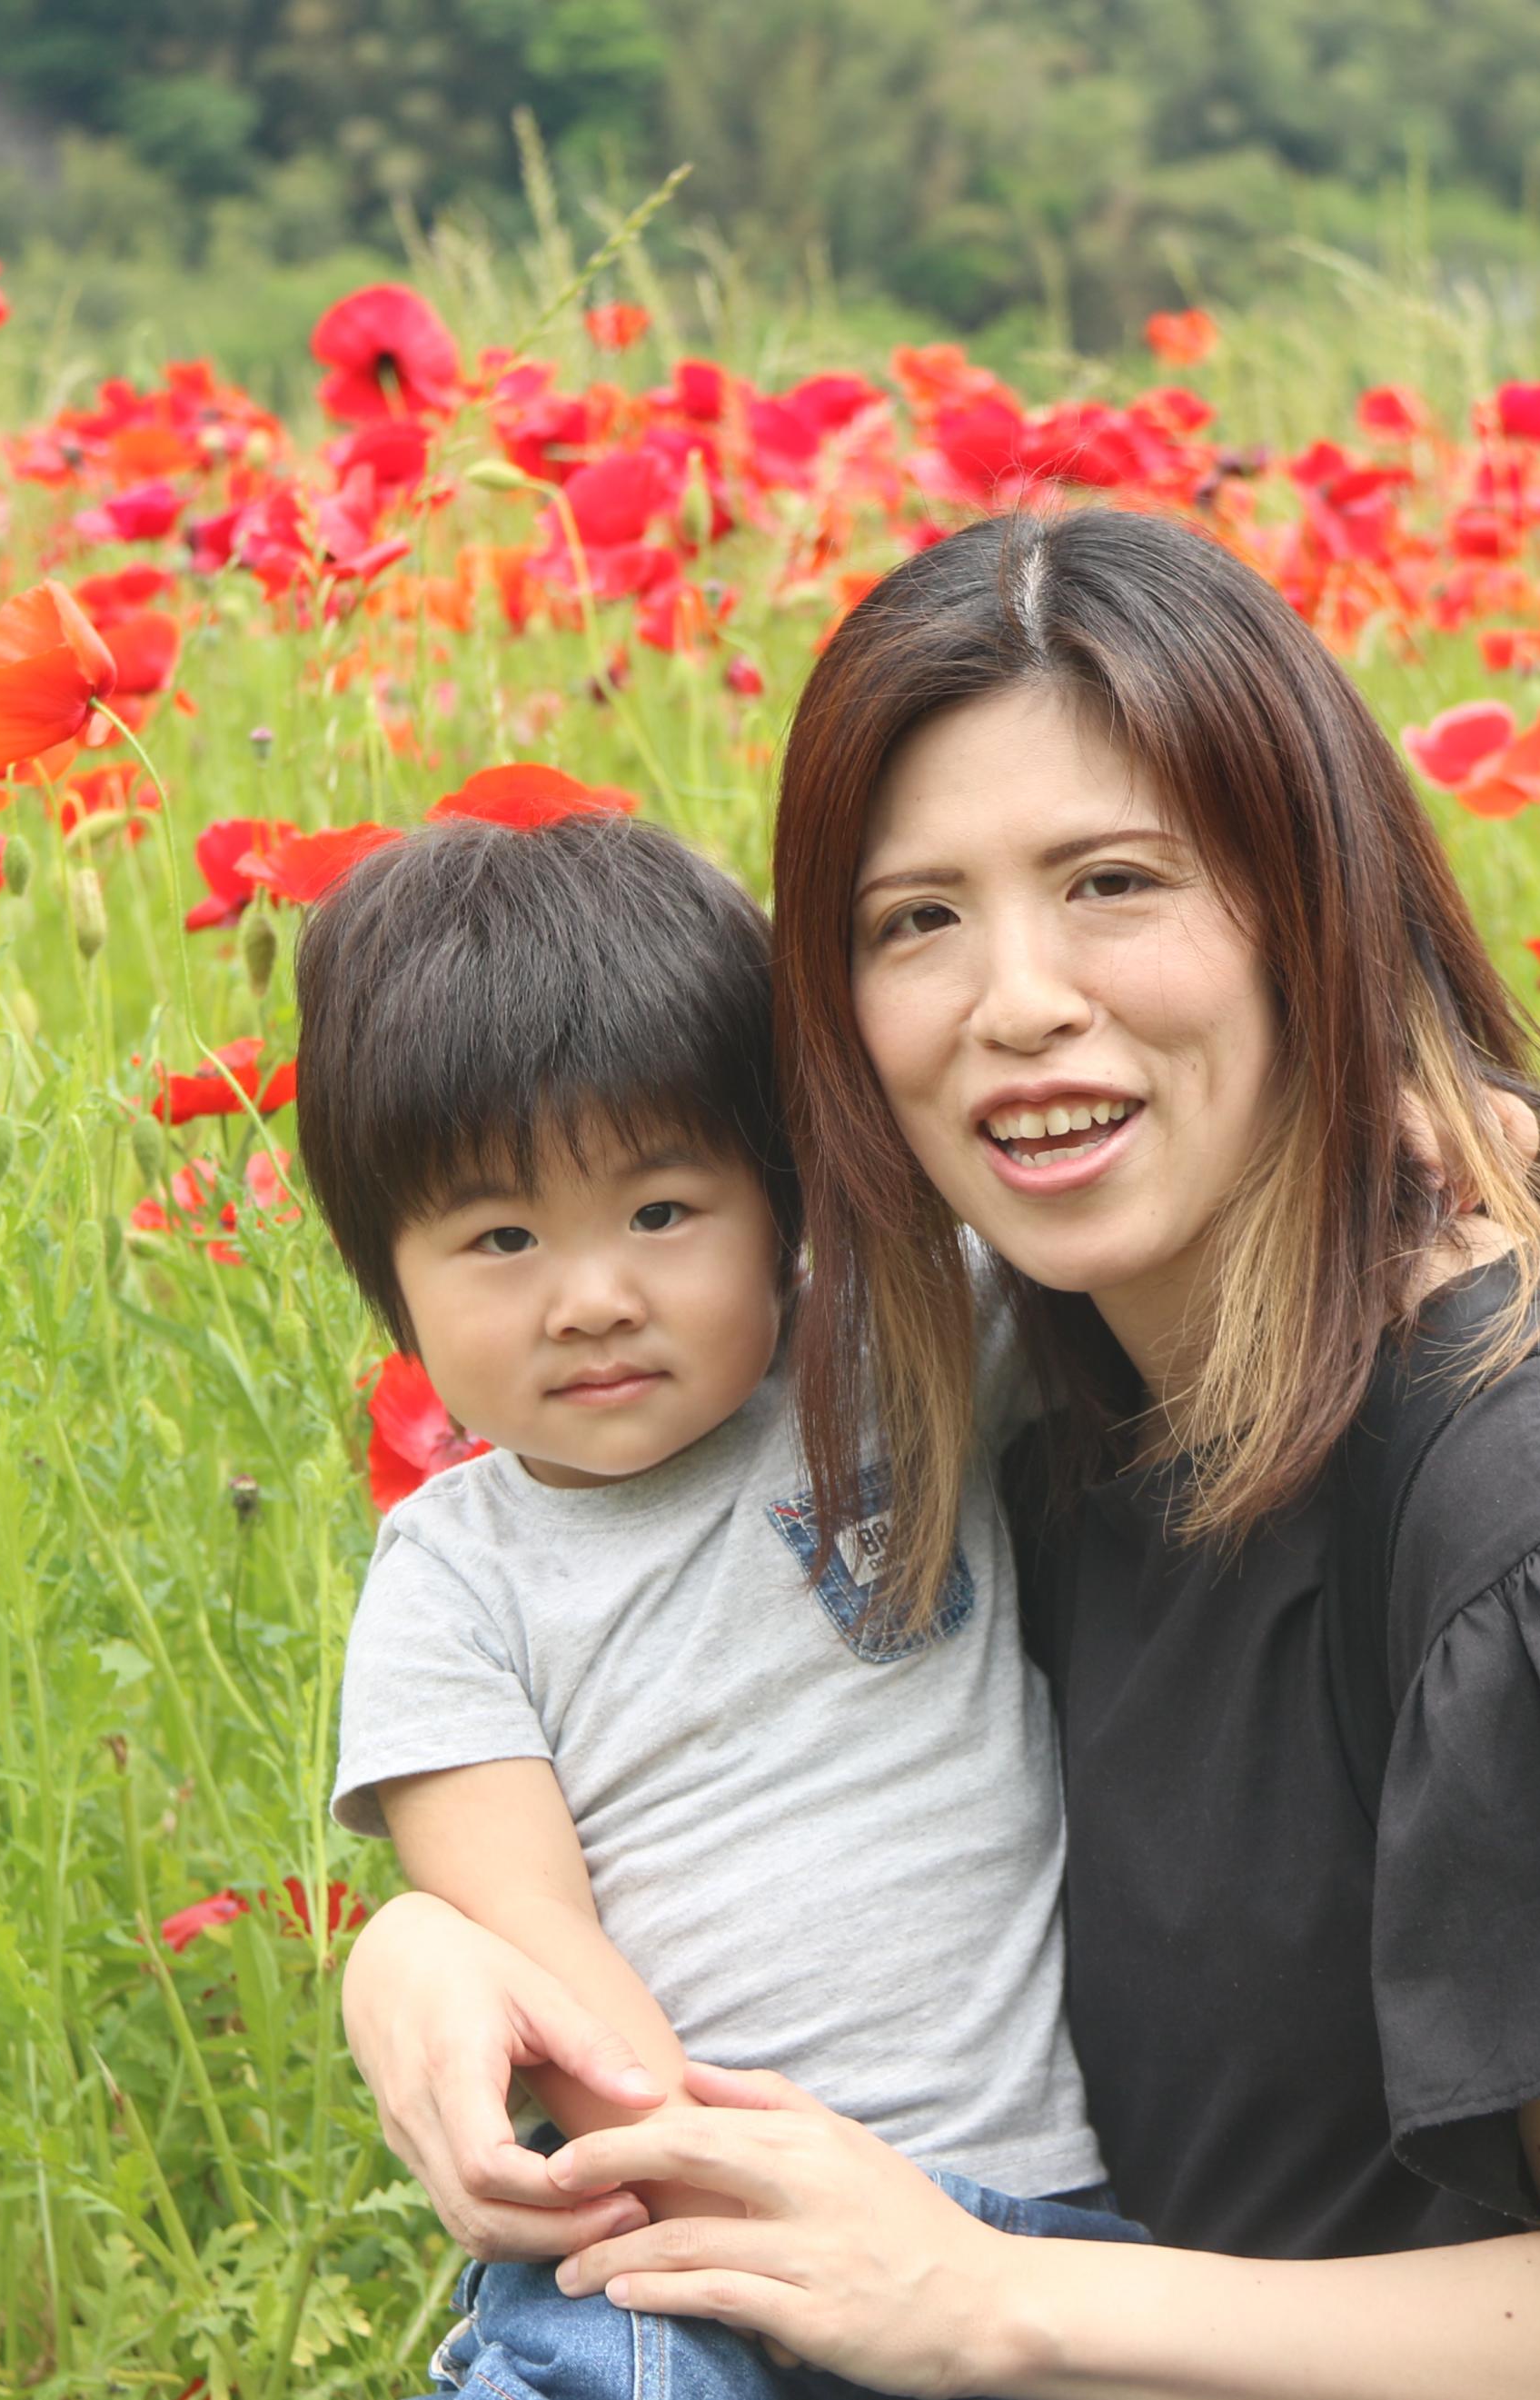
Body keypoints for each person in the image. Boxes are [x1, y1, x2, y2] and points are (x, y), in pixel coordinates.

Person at [342, 507, 1540, 2400]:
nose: (1015, 998)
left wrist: (981, 2297)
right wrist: (426, 1959)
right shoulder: (1044, 1428)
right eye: (914, 919)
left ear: (1313, 912)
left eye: (1113, 881)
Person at [290, 811, 1143, 2400]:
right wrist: (709, 2182)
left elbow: (1154, 1240)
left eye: (662, 1212)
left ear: (786, 1201)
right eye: (498, 1237)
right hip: (664, 2240)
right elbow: (525, 1925)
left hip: (1023, 2220)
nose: (592, 1293)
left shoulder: (891, 1356)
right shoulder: (456, 1576)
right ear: (386, 1282)